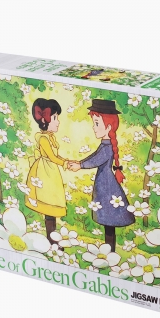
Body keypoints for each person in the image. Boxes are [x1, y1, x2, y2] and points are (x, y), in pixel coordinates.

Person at [69, 99, 134, 251]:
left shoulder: (107, 147)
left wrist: (80, 165)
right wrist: (80, 162)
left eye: (97, 123)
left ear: (109, 127)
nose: (94, 127)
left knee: (109, 221)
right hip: (104, 186)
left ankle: (110, 250)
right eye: (94, 123)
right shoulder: (105, 144)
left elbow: (96, 160)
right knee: (107, 223)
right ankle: (109, 249)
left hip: (107, 188)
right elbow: (94, 156)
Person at [25, 98, 69, 242]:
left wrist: (66, 161)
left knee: (52, 209)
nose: (58, 122)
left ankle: (53, 239)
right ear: (45, 120)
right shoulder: (44, 139)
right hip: (44, 174)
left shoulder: (50, 137)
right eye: (55, 118)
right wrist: (65, 163)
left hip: (52, 173)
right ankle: (51, 240)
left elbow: (56, 156)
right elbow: (52, 157)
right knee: (48, 207)